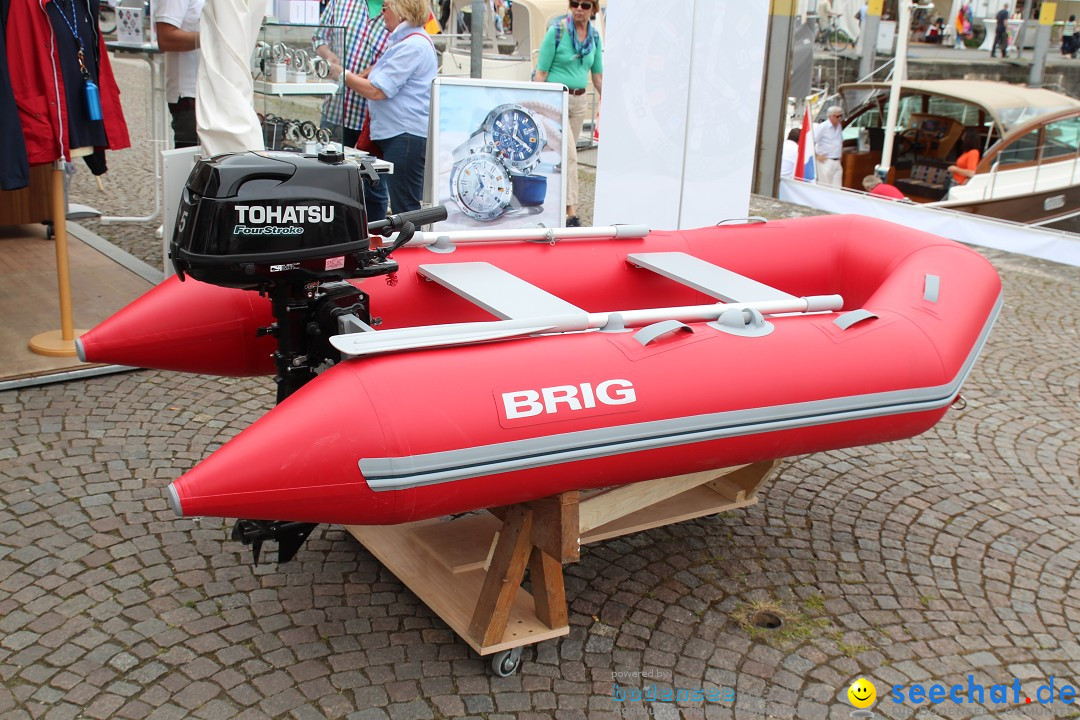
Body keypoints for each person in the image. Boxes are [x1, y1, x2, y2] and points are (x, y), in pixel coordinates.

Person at [336, 0, 437, 217]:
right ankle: (385, 244)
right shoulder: (408, 42)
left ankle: (410, 248)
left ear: (401, 11)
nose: (382, 13)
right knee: (397, 202)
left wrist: (342, 75)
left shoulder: (412, 46)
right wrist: (359, 76)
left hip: (405, 135)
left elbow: (377, 91)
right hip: (399, 134)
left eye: (385, 7)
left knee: (405, 207)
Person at [316, 0, 391, 220]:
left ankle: (372, 237)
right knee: (327, 182)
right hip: (335, 112)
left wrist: (351, 76)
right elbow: (319, 37)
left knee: (373, 187)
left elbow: (393, 58)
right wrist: (328, 55)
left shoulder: (396, 8)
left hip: (369, 120)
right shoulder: (342, 2)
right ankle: (330, 235)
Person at [534, 0, 603, 227]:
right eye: (575, 4)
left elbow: (598, 77)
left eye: (585, 5)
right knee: (571, 156)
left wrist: (609, 102)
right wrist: (535, 106)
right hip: (556, 101)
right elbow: (541, 73)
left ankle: (555, 205)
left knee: (565, 159)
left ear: (593, 9)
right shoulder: (557, 32)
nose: (579, 9)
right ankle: (570, 214)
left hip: (580, 101)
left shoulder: (593, 38)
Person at [155, 0, 205, 148]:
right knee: (192, 166)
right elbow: (165, 38)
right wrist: (212, 36)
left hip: (217, 94)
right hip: (190, 97)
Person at [814, 106, 844, 188]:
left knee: (837, 187)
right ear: (831, 116)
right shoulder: (822, 127)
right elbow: (811, 141)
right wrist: (816, 156)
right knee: (825, 186)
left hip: (837, 161)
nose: (840, 118)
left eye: (841, 116)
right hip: (826, 161)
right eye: (838, 116)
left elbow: (840, 142)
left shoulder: (839, 126)